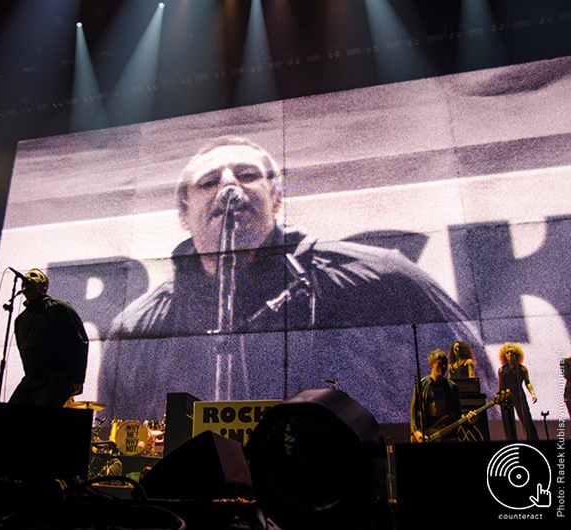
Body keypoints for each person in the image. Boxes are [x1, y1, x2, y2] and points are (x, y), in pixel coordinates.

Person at [98, 136, 494, 424]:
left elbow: (480, 394)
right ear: (184, 214)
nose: (230, 187)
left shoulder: (385, 278)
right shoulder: (135, 328)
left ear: (278, 197)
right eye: (209, 182)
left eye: (247, 174)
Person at [9, 268, 89, 407]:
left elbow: (78, 341)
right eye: (26, 275)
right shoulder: (20, 319)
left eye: (33, 276)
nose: (27, 277)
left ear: (43, 286)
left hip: (56, 378)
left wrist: (78, 378)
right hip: (31, 379)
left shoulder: (59, 307)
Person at [410, 349, 477, 442]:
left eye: (445, 363)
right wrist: (416, 432)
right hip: (426, 435)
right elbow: (413, 411)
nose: (444, 366)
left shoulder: (452, 387)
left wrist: (469, 421)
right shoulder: (421, 386)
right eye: (440, 364)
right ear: (431, 364)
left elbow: (458, 414)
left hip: (447, 436)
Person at [497, 342, 538, 441]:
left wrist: (532, 394)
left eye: (513, 352)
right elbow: (500, 385)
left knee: (526, 419)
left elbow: (527, 382)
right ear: (504, 355)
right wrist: (499, 399)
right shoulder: (501, 370)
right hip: (506, 396)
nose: (510, 354)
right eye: (508, 352)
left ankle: (532, 440)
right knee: (508, 422)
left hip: (518, 394)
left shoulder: (522, 369)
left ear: (517, 354)